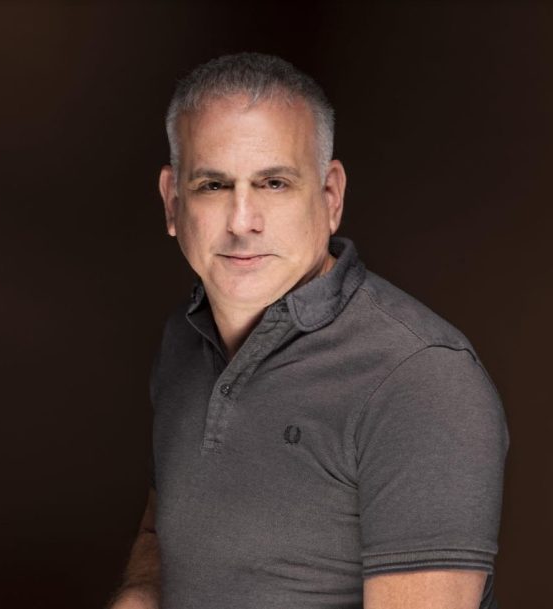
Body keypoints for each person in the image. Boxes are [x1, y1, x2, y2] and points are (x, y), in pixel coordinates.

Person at [108, 52, 509, 609]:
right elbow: (164, 529)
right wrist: (139, 593)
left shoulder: (421, 378)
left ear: (330, 196)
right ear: (173, 202)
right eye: (213, 185)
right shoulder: (183, 337)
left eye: (274, 183)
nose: (242, 221)